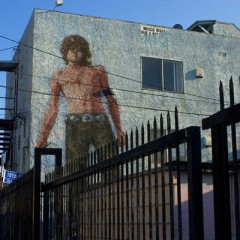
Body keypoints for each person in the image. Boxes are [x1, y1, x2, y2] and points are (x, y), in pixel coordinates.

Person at [36, 35, 124, 163]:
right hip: (75, 125)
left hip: (99, 122)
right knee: (75, 170)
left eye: (79, 50)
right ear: (65, 52)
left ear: (84, 52)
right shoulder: (59, 76)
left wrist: (119, 129)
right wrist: (42, 139)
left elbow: (110, 99)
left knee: (111, 165)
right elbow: (52, 108)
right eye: (71, 50)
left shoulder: (98, 71)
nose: (75, 53)